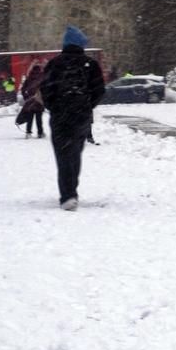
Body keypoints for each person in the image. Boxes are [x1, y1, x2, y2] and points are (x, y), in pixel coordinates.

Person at [40, 25, 106, 211]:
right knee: (75, 154)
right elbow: (99, 90)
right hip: (81, 117)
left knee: (62, 156)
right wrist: (86, 106)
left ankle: (67, 195)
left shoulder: (54, 64)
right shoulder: (90, 65)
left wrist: (54, 107)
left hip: (60, 117)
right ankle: (72, 192)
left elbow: (46, 89)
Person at [20, 62, 46, 139]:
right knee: (39, 119)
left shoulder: (29, 78)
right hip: (39, 101)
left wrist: (26, 97)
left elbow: (23, 89)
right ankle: (40, 133)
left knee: (29, 119)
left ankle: (28, 132)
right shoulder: (42, 78)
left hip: (30, 102)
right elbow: (45, 90)